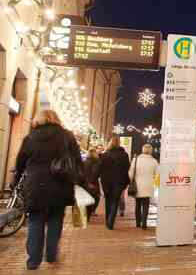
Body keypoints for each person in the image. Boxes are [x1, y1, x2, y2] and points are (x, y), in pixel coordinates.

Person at [13, 109, 83, 270]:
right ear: (57, 120)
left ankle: (33, 261)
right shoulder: (67, 137)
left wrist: (16, 181)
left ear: (38, 120)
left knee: (35, 221)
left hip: (35, 186)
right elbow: (77, 161)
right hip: (60, 185)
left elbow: (20, 163)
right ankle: (51, 255)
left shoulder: (30, 137)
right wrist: (79, 180)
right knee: (55, 220)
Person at [99, 136, 130, 230]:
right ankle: (110, 222)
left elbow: (100, 168)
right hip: (119, 181)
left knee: (108, 201)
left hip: (107, 182)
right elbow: (127, 168)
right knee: (115, 201)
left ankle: (108, 220)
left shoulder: (105, 155)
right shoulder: (124, 155)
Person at [129, 144, 158, 229]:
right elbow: (157, 174)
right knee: (146, 205)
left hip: (137, 185)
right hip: (148, 185)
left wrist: (131, 181)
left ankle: (138, 223)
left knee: (137, 204)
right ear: (151, 151)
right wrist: (156, 185)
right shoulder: (154, 161)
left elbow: (131, 172)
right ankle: (144, 223)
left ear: (142, 150)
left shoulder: (136, 159)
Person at [83, 148, 102, 220]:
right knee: (96, 197)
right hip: (93, 183)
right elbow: (97, 173)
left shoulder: (84, 162)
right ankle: (90, 212)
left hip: (85, 183)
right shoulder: (97, 162)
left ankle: (87, 214)